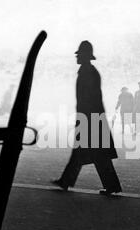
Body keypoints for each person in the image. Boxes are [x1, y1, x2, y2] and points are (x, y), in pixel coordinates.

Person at [52, 41, 122, 196]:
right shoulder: (89, 71)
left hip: (89, 118)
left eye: (78, 55)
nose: (76, 57)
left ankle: (66, 181)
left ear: (84, 56)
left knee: (86, 153)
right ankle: (110, 186)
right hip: (92, 117)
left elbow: (89, 98)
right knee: (96, 154)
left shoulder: (87, 72)